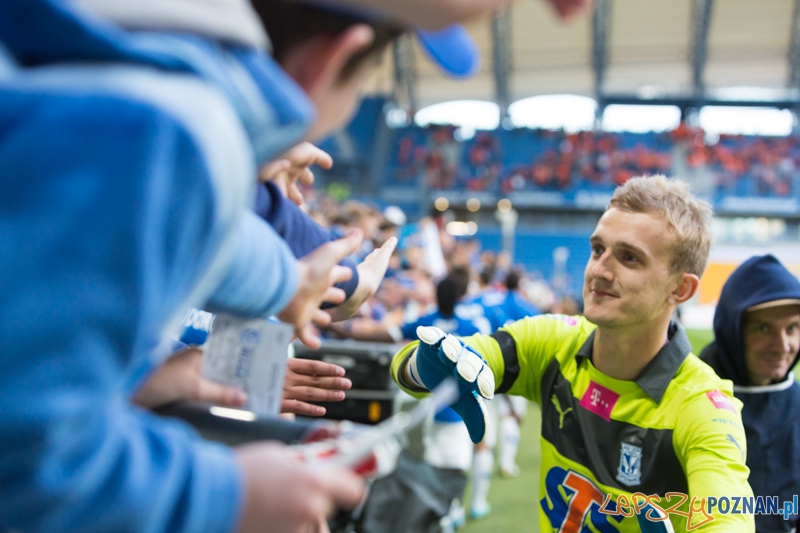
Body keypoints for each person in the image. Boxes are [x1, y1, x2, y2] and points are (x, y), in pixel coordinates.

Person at [0, 1, 511, 532]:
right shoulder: (170, 132)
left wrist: (162, 375)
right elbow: (28, 460)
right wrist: (232, 494)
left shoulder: (115, 77)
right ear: (334, 60)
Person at [390, 175, 754, 532]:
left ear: (681, 289)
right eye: (598, 249)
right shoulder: (553, 341)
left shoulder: (703, 408)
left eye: (629, 258)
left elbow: (728, 518)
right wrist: (423, 367)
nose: (599, 270)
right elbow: (437, 359)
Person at [699, 254, 800, 533]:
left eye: (792, 328)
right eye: (763, 328)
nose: (782, 346)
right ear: (732, 330)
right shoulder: (689, 397)